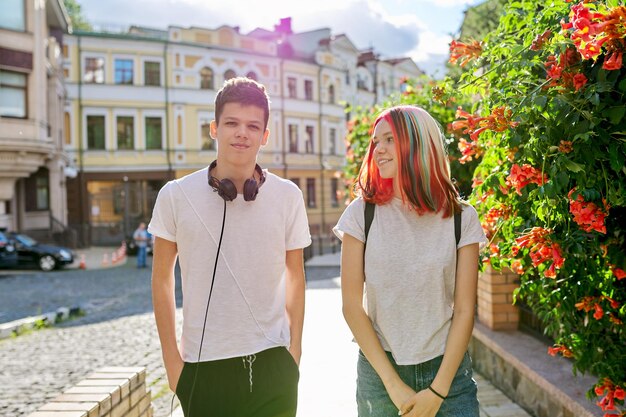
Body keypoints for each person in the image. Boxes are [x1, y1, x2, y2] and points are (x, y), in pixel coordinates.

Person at [149, 77, 311, 417]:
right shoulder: (175, 196)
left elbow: (295, 276)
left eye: (253, 126)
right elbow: (162, 279)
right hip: (203, 369)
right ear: (214, 128)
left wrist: (293, 351)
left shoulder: (288, 196)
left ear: (265, 136)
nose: (242, 133)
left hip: (273, 367)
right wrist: (172, 364)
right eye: (232, 123)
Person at [333, 105, 487, 417]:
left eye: (389, 139)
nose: (379, 149)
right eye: (376, 142)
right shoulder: (361, 214)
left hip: (449, 377)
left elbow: (465, 310)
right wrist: (391, 383)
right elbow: (351, 306)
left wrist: (438, 390)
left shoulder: (462, 218)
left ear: (418, 143)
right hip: (380, 376)